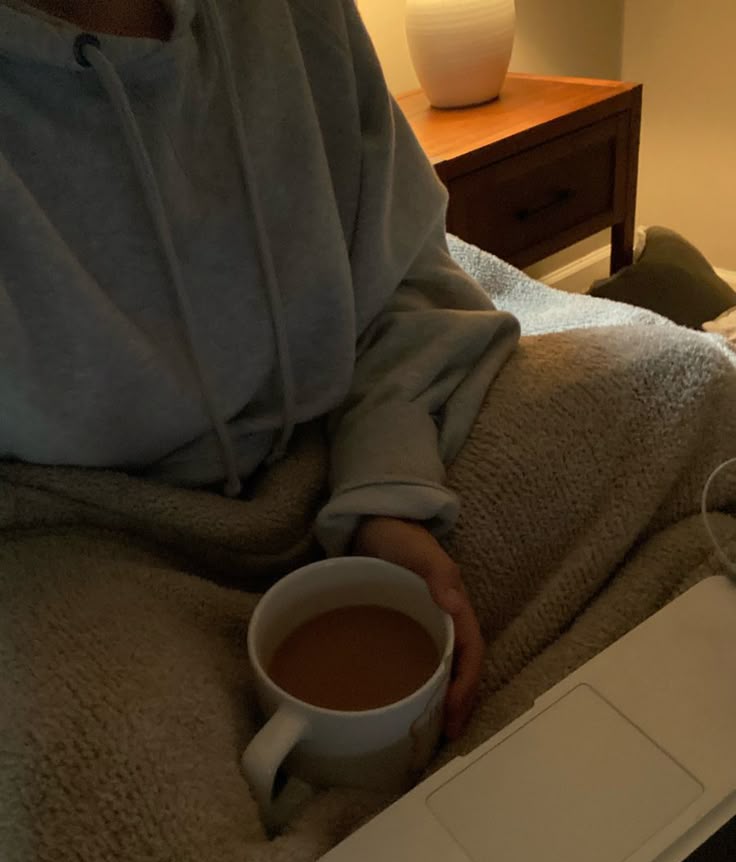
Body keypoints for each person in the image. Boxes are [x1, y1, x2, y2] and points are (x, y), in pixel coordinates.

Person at [1, 0, 522, 738]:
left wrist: (387, 497)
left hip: (341, 427)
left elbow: (405, 275)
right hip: (77, 540)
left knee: (673, 406)